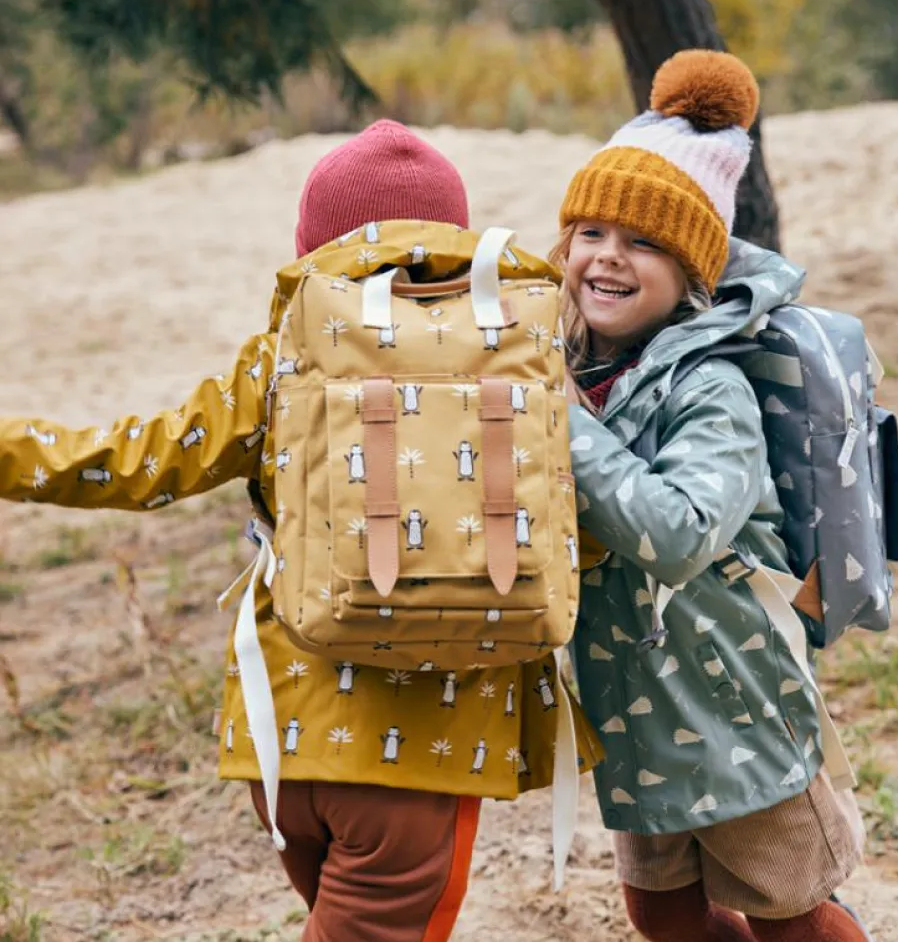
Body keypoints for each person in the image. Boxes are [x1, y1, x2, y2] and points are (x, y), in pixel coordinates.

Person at [0, 119, 602, 942]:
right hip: (426, 751)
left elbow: (141, 461)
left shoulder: (282, 355)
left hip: (283, 736)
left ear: (315, 249)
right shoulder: (517, 357)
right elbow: (580, 532)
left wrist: (9, 451)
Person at [556, 50, 871, 942]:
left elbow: (682, 531)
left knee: (789, 914)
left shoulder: (711, 386)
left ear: (693, 270)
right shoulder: (571, 367)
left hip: (735, 702)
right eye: (591, 231)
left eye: (644, 240)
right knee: (661, 914)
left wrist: (558, 421)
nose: (608, 256)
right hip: (633, 706)